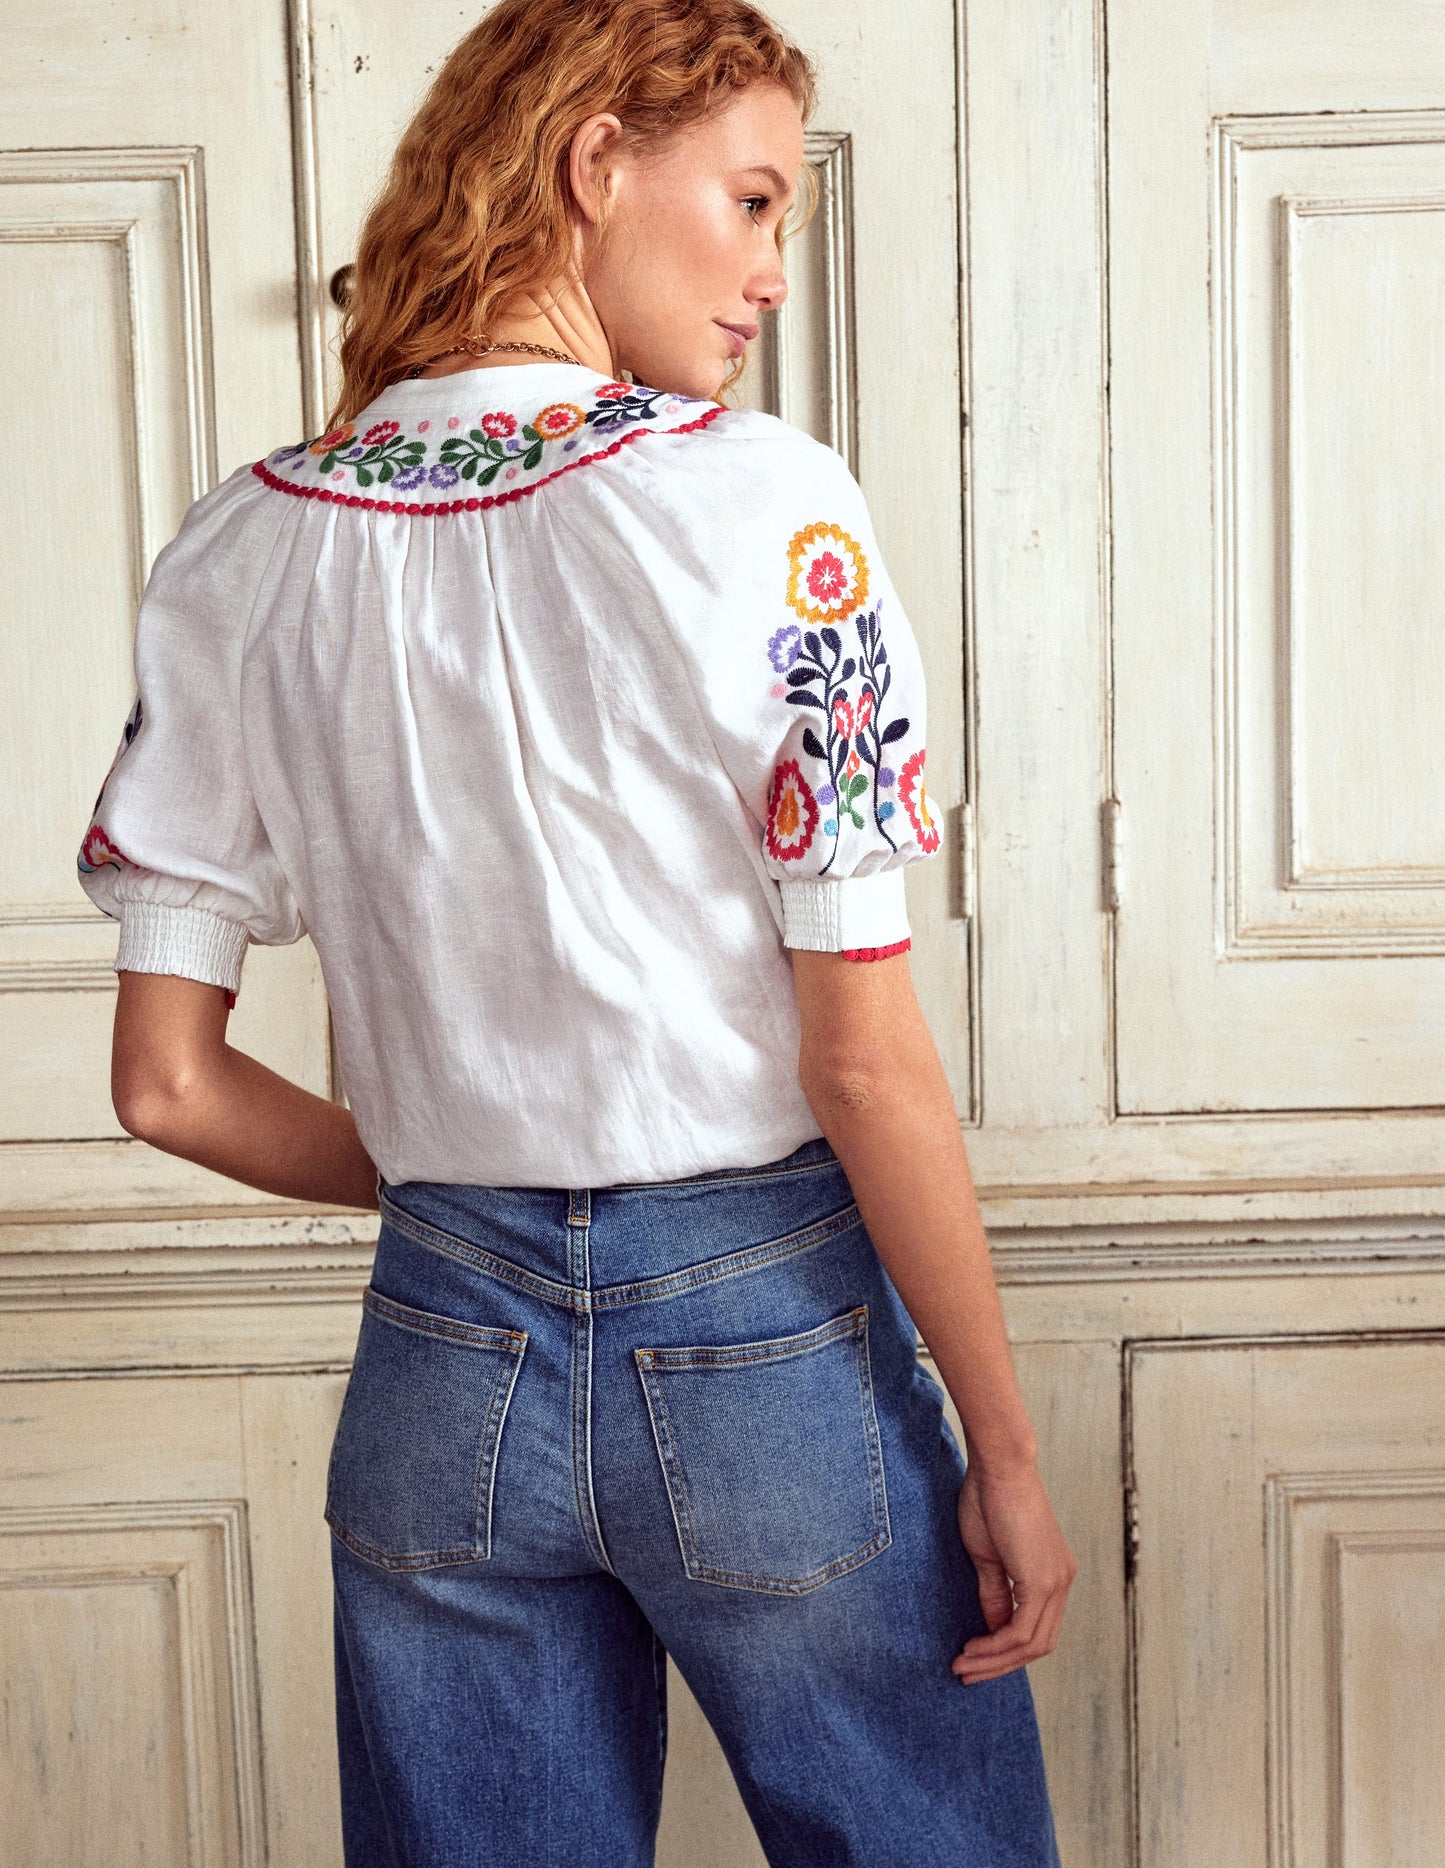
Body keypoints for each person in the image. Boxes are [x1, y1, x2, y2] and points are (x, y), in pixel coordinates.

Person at [76, 0, 1076, 1861]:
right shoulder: (758, 500)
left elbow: (166, 1087)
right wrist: (1005, 1451)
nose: (771, 271)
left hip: (439, 1357)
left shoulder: (240, 551)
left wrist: (462, 1187)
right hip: (761, 1342)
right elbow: (861, 1062)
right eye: (753, 200)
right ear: (594, 160)